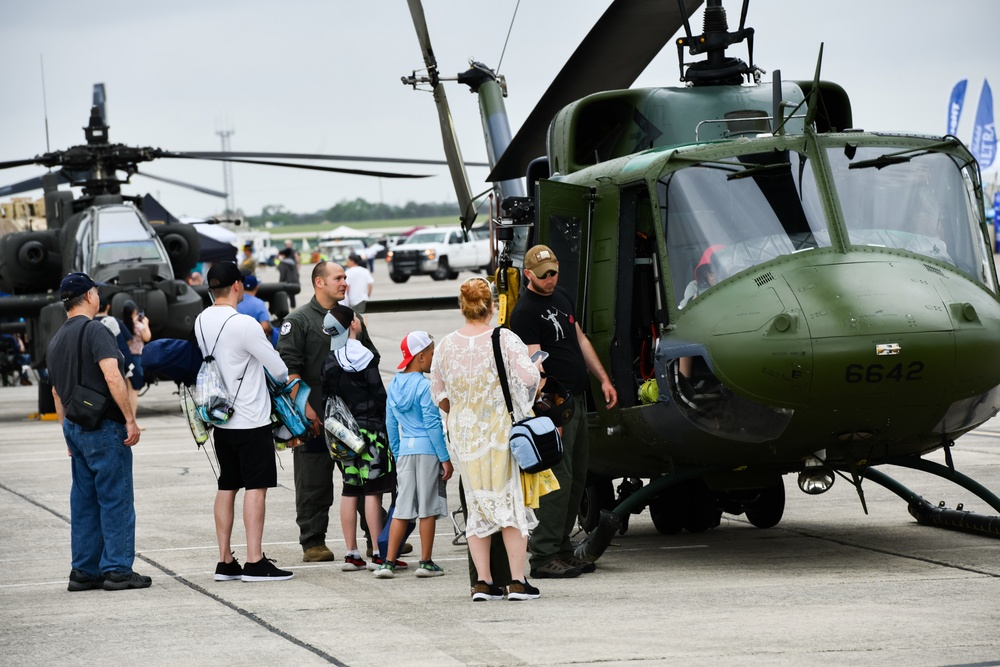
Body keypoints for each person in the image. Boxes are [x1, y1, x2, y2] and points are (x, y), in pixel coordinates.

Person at [509, 245, 619, 579]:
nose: (550, 279)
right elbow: (534, 367)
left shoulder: (563, 297)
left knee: (578, 478)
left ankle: (563, 549)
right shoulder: (525, 311)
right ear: (528, 275)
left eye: (554, 272)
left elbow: (579, 339)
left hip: (578, 400)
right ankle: (543, 555)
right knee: (558, 479)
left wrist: (603, 379)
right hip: (556, 407)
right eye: (543, 276)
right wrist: (549, 417)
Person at [430, 277, 543, 601]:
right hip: (499, 434)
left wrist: (460, 409)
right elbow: (528, 377)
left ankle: (483, 581)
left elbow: (437, 391)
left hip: (465, 438)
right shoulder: (503, 338)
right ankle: (517, 581)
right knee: (509, 503)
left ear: (462, 307)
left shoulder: (447, 345)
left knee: (477, 506)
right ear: (491, 306)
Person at [46, 272, 148, 591]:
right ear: (90, 296)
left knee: (85, 499)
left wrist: (67, 432)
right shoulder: (96, 330)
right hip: (104, 427)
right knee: (115, 497)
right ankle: (117, 567)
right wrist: (129, 419)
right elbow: (113, 377)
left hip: (75, 427)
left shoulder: (56, 339)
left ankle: (84, 569)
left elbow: (55, 394)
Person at [194, 261, 293, 582]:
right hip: (251, 419)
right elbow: (278, 369)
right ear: (237, 285)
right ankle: (254, 560)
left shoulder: (201, 320)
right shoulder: (245, 323)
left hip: (220, 419)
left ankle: (225, 560)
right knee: (256, 487)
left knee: (227, 485)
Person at [277, 261, 382, 563]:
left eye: (345, 277)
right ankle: (313, 541)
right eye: (338, 278)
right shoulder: (298, 321)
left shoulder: (353, 318)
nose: (344, 282)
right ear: (319, 283)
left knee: (364, 476)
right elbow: (289, 370)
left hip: (354, 416)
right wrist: (306, 409)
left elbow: (371, 359)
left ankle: (377, 537)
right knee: (313, 480)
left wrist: (356, 335)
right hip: (317, 416)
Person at [321, 305, 396, 572]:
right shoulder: (364, 356)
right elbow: (379, 395)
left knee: (349, 489)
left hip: (344, 435)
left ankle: (351, 553)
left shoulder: (329, 360)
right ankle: (378, 552)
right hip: (371, 431)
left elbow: (326, 399)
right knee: (373, 493)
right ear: (353, 324)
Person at [374, 331, 453, 579]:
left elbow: (390, 425)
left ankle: (388, 562)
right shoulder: (425, 386)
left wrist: (397, 453)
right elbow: (432, 425)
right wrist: (445, 458)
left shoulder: (394, 385)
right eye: (431, 354)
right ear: (420, 357)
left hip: (406, 452)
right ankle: (426, 562)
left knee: (402, 508)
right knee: (427, 508)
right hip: (428, 452)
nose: (433, 359)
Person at [121, 300, 150, 422]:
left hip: (126, 358)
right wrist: (146, 323)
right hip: (137, 358)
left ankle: (125, 419)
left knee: (126, 390)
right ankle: (132, 420)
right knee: (134, 391)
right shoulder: (138, 326)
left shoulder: (122, 324)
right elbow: (147, 337)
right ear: (134, 312)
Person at [678, 244, 723, 309]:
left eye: (721, 272)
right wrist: (695, 298)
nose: (717, 278)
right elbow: (683, 305)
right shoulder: (694, 286)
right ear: (705, 273)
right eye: (712, 273)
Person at [237, 274, 275, 347]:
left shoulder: (235, 301)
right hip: (253, 343)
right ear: (257, 287)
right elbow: (265, 326)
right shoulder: (259, 303)